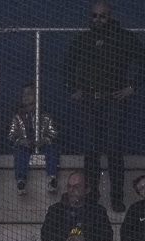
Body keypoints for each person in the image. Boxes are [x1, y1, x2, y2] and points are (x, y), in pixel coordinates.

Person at [65, 2, 145, 211]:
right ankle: (91, 198)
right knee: (91, 150)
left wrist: (131, 87)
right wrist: (74, 89)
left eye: (102, 16)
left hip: (113, 100)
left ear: (110, 16)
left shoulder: (123, 37)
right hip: (90, 100)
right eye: (94, 16)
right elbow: (67, 66)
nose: (98, 20)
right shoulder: (84, 39)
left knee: (113, 149)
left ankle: (116, 199)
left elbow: (143, 61)